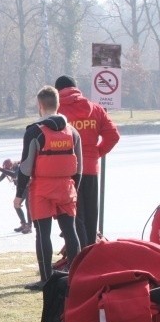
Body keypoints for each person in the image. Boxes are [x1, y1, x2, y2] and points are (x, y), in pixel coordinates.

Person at [14, 85, 82, 290]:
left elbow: (25, 167)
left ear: (39, 105)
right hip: (67, 187)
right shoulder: (73, 132)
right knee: (70, 231)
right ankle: (77, 277)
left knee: (43, 233)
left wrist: (19, 195)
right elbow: (79, 167)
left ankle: (46, 279)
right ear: (58, 104)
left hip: (42, 189)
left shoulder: (34, 131)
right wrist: (74, 189)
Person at [55, 75, 120, 248]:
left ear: (57, 91)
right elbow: (113, 136)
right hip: (91, 168)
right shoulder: (96, 109)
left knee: (75, 216)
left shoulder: (58, 111)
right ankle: (91, 255)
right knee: (91, 216)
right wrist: (96, 153)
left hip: (68, 171)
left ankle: (79, 258)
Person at [0, 158, 31, 233]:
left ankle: (29, 226)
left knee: (28, 205)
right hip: (21, 189)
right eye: (6, 169)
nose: (6, 170)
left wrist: (0, 169)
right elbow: (2, 177)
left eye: (8, 169)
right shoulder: (7, 169)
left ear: (11, 166)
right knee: (16, 205)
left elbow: (14, 174)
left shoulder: (19, 167)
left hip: (29, 187)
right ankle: (23, 224)